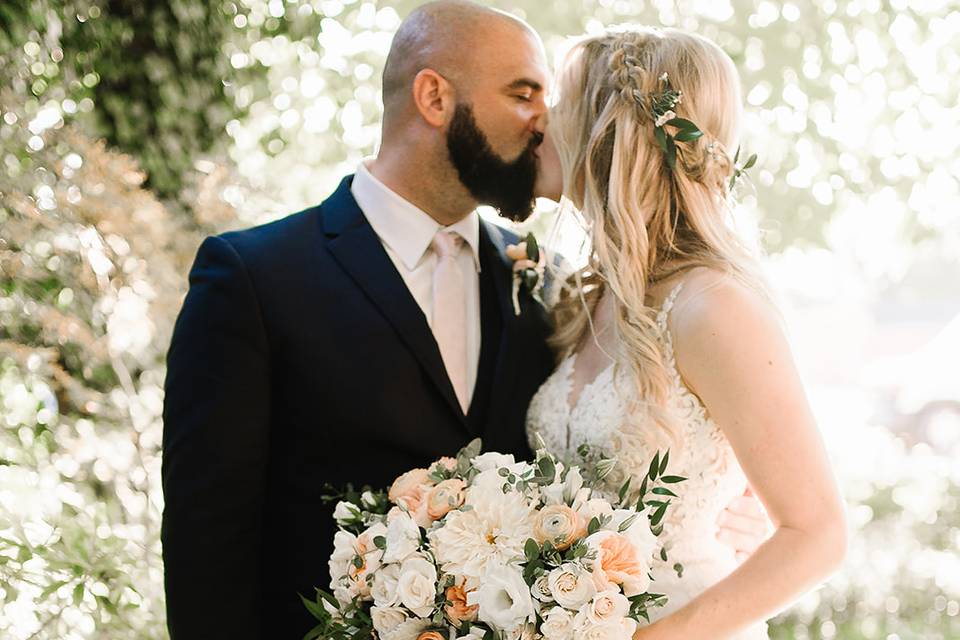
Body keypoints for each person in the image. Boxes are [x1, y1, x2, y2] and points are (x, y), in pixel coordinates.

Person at [161, 3, 769, 637]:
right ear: (433, 97)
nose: (546, 121)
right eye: (523, 93)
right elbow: (208, 550)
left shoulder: (557, 287)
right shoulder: (255, 279)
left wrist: (728, 509)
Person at [527, 25, 848, 638]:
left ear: (609, 130)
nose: (543, 118)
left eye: (563, 102)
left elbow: (818, 535)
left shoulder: (713, 306)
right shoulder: (591, 302)